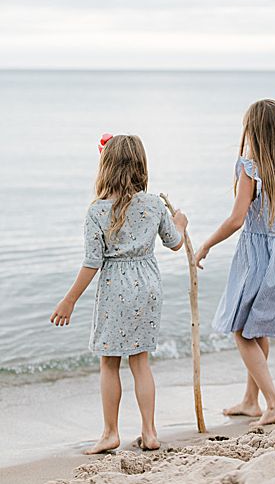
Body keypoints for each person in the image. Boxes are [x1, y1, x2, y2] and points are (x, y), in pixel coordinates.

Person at [50, 134, 187, 454]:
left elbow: (92, 262)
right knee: (140, 361)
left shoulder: (97, 211)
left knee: (110, 363)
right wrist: (181, 222)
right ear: (141, 166)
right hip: (148, 287)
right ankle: (150, 432)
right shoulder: (154, 204)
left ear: (105, 167)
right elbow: (175, 243)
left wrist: (69, 299)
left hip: (115, 289)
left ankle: (110, 432)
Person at [195, 99, 275, 427]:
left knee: (241, 331)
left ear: (254, 133)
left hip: (258, 262)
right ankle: (251, 400)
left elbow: (236, 220)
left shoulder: (251, 170)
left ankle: (274, 402)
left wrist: (205, 245)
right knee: (257, 327)